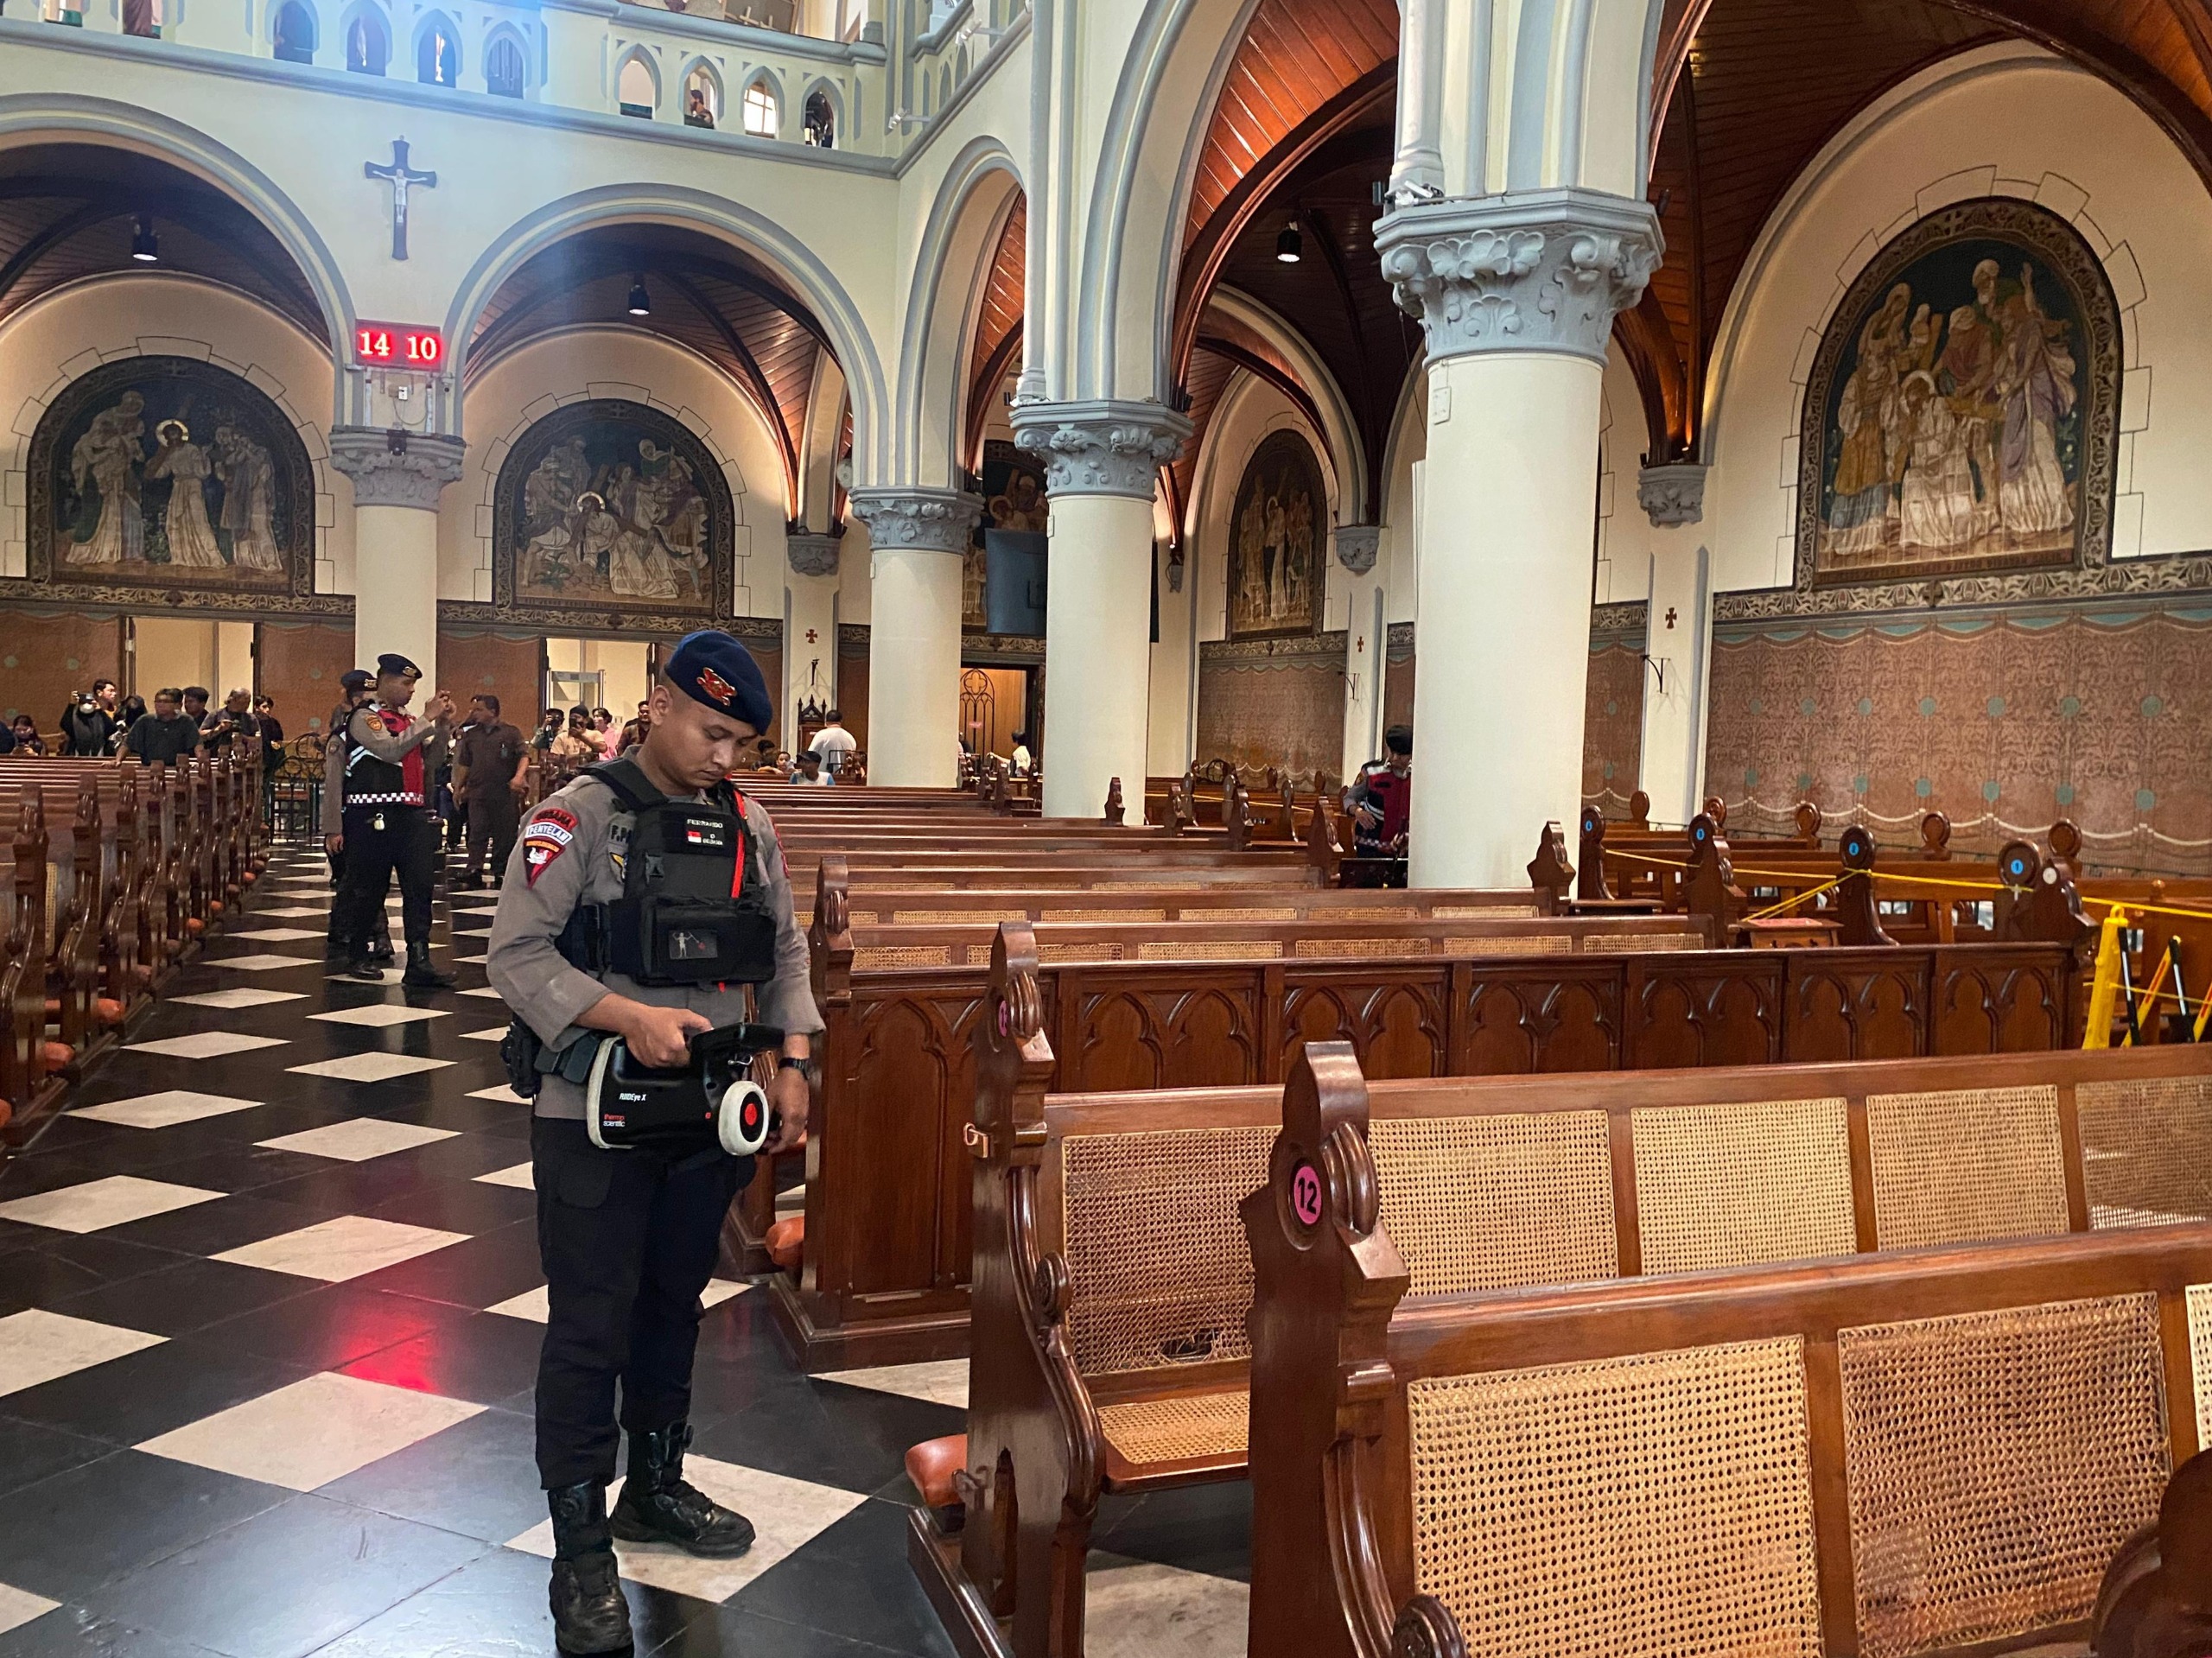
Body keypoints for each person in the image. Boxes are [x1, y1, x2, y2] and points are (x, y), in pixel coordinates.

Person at [486, 631, 817, 1655]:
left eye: (740, 742)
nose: (725, 756)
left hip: (707, 1111)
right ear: (659, 704)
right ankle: (580, 1547)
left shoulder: (747, 823)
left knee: (674, 1304)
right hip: (593, 1111)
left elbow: (786, 946)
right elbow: (515, 953)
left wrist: (794, 1059)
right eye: (712, 732)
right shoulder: (576, 815)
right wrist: (625, 1014)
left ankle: (656, 1485)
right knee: (591, 1322)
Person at [334, 654, 456, 988]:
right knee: (369, 887)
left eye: (413, 684)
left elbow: (431, 761)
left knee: (420, 887)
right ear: (385, 682)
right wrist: (427, 719)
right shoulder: (365, 717)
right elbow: (389, 751)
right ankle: (358, 954)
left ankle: (419, 960)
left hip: (411, 815)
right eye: (406, 683)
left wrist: (442, 726)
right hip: (373, 815)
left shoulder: (409, 721)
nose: (412, 690)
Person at [321, 670, 392, 969]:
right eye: (366, 701)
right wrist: (333, 829)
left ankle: (351, 929)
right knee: (354, 879)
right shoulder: (342, 736)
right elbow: (334, 786)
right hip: (350, 816)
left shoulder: (384, 733)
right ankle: (370, 933)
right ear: (351, 701)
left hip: (377, 815)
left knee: (366, 878)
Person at [452, 693, 530, 890]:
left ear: (492, 711)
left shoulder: (510, 733)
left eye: (479, 709)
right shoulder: (471, 735)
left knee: (505, 834)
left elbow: (524, 756)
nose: (474, 713)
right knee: (476, 831)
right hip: (478, 791)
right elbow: (465, 763)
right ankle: (474, 868)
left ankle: (500, 870)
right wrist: (458, 787)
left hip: (504, 791)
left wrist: (519, 777)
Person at [1345, 725, 1413, 856]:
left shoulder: (1420, 777)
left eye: (1400, 755)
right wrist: (1357, 811)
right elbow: (1349, 798)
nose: (1394, 758)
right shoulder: (1371, 770)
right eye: (1392, 752)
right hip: (1370, 847)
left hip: (1403, 849)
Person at [124, 688, 203, 766]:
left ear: (174, 705)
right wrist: (118, 760)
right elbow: (127, 744)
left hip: (177, 767)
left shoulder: (186, 721)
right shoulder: (145, 720)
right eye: (158, 701)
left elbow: (196, 743)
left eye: (165, 702)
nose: (161, 705)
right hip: (150, 766)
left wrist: (201, 760)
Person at [59, 678, 120, 756]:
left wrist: (100, 711)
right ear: (99, 692)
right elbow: (66, 726)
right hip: (78, 754)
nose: (114, 693)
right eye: (110, 691)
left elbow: (112, 729)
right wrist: (72, 705)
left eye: (114, 691)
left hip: (103, 753)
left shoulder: (117, 712)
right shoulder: (82, 712)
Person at [200, 687, 258, 759]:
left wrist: (242, 737)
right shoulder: (216, 714)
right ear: (233, 700)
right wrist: (218, 729)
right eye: (243, 703)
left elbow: (257, 740)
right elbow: (200, 736)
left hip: (243, 758)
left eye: (248, 702)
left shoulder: (250, 718)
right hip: (216, 756)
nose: (246, 706)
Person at [253, 695, 285, 819]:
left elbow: (278, 739)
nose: (267, 710)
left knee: (266, 787)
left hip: (269, 757)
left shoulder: (273, 722)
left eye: (269, 707)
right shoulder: (252, 721)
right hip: (256, 757)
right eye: (264, 707)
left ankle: (266, 817)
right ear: (256, 707)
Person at [807, 708, 855, 777]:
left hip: (823, 777)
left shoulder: (821, 735)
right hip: (844, 777)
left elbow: (810, 755)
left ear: (826, 722)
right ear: (841, 721)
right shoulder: (849, 737)